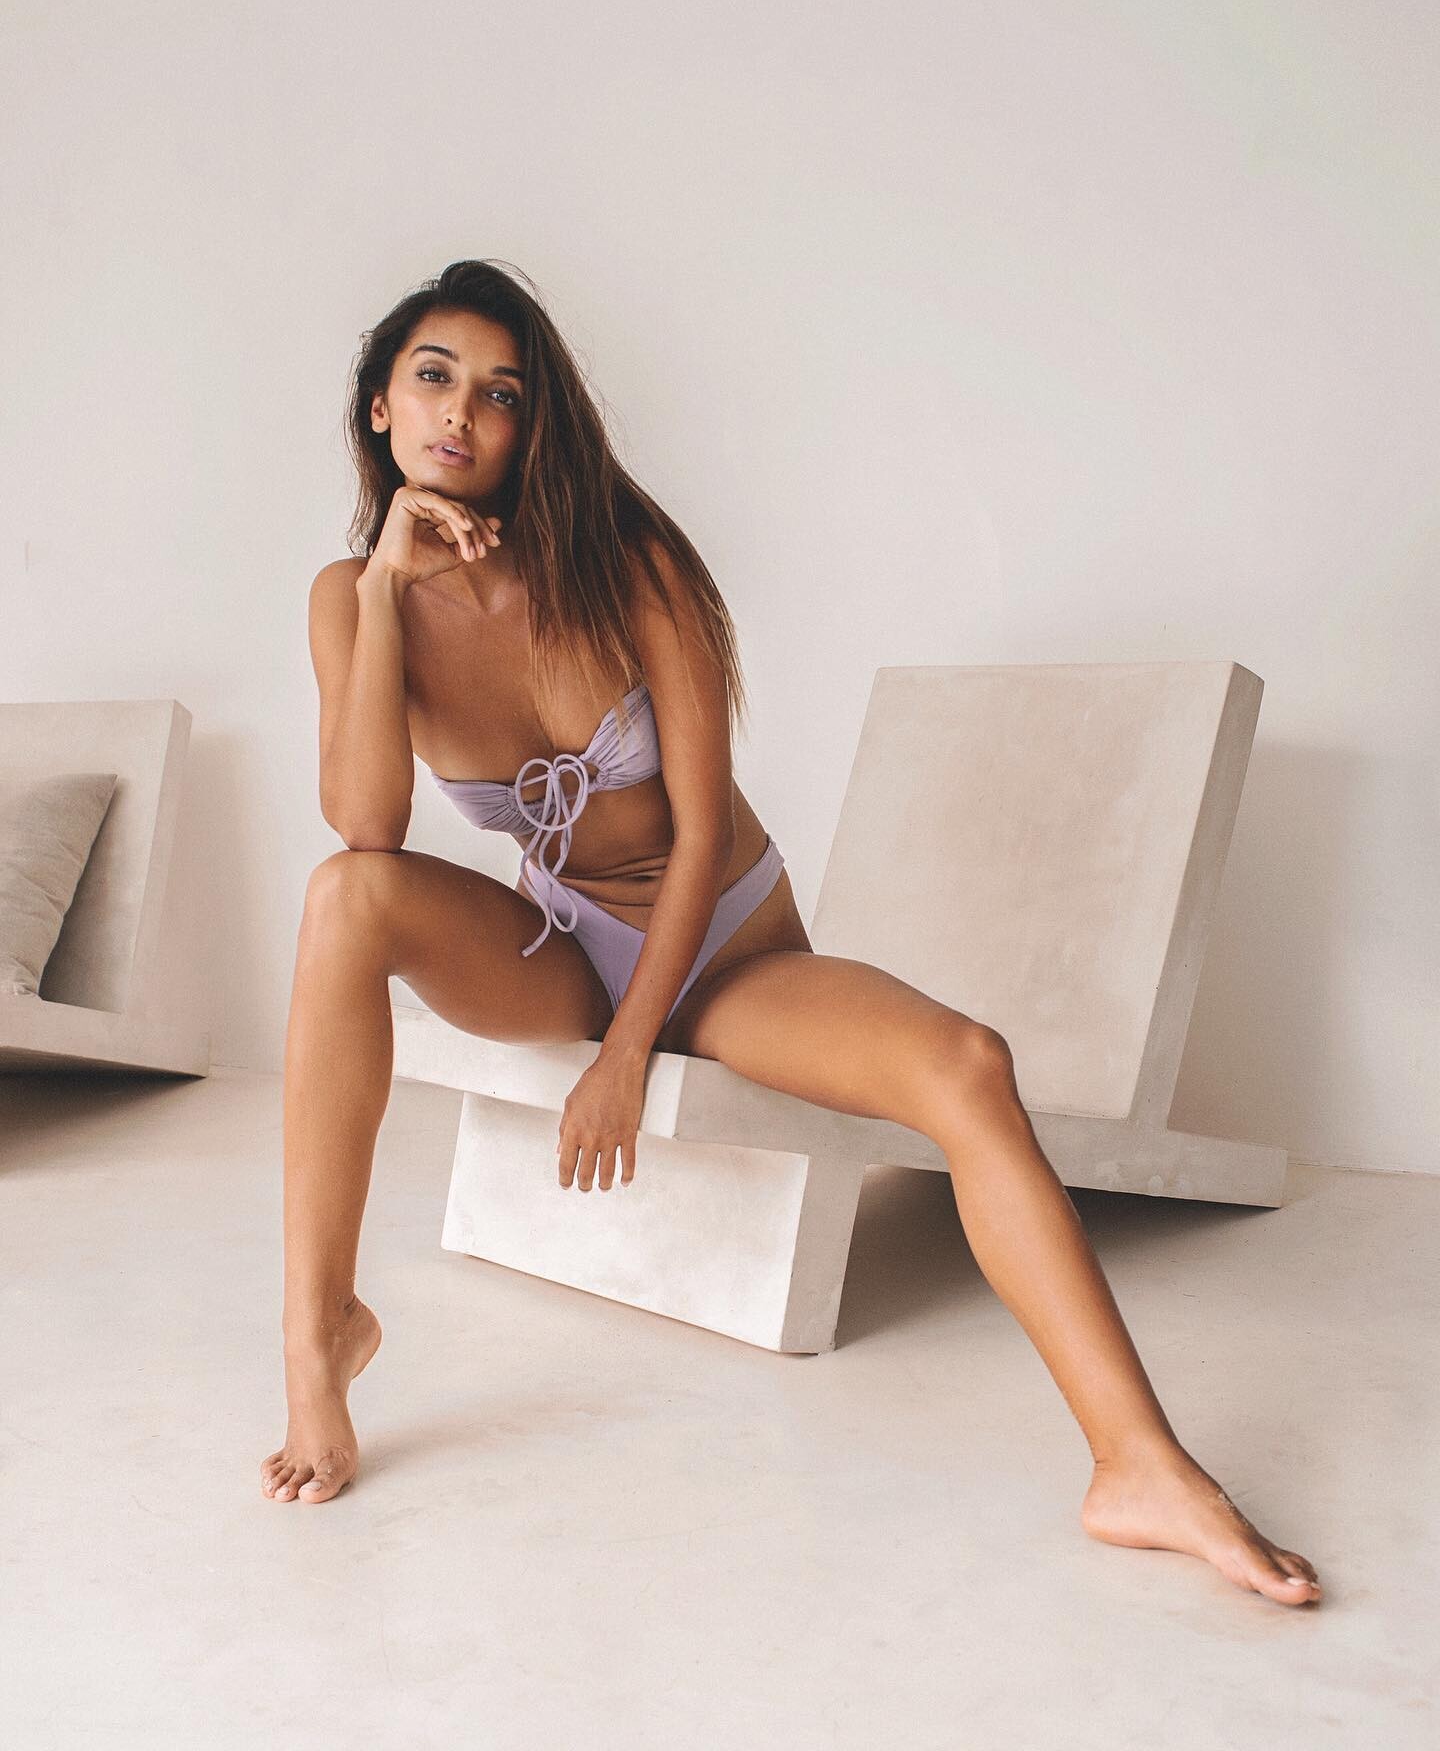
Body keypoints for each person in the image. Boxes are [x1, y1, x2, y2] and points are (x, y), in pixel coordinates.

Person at [260, 259, 1321, 1608]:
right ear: (379, 406)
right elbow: (367, 821)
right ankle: (321, 1338)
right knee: (341, 895)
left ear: (534, 428)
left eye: (501, 393)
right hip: (558, 949)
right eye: (433, 377)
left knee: (970, 1066)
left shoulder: (623, 563)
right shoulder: (347, 596)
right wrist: (379, 593)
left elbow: (701, 830)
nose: (462, 412)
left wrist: (629, 1053)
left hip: (725, 955)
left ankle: (1140, 1466)